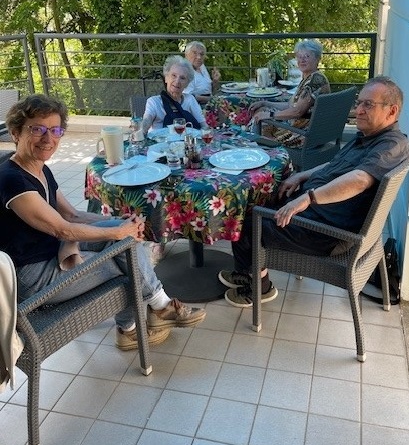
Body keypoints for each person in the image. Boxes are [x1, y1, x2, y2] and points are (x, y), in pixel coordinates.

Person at [0, 94, 206, 350]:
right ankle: (143, 319)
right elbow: (61, 228)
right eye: (37, 129)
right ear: (15, 132)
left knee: (127, 241)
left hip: (52, 255)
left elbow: (72, 215)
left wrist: (119, 224)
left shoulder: (38, 168)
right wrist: (118, 232)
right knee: (127, 261)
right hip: (36, 278)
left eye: (55, 130)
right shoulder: (13, 180)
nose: (48, 138)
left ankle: (146, 316)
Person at [219, 76, 409, 307]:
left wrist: (308, 198)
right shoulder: (369, 137)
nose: (358, 110)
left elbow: (360, 179)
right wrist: (302, 175)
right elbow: (334, 165)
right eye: (359, 103)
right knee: (255, 199)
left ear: (392, 111)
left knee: (245, 223)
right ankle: (247, 270)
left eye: (368, 104)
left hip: (325, 230)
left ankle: (260, 287)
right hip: (320, 212)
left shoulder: (391, 145)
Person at [250, 39, 330, 147]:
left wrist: (270, 115)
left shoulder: (315, 81)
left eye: (307, 56)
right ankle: (252, 145)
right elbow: (290, 105)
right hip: (304, 128)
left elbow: (297, 112)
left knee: (260, 121)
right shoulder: (311, 77)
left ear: (317, 59)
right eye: (299, 57)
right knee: (261, 110)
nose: (302, 60)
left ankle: (257, 150)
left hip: (302, 135)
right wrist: (266, 103)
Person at [143, 55, 208, 133]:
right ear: (166, 78)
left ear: (187, 84)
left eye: (182, 78)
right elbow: (147, 120)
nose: (177, 81)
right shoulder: (154, 102)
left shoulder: (190, 99)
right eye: (174, 75)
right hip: (161, 144)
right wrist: (141, 131)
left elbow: (203, 125)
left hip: (186, 143)